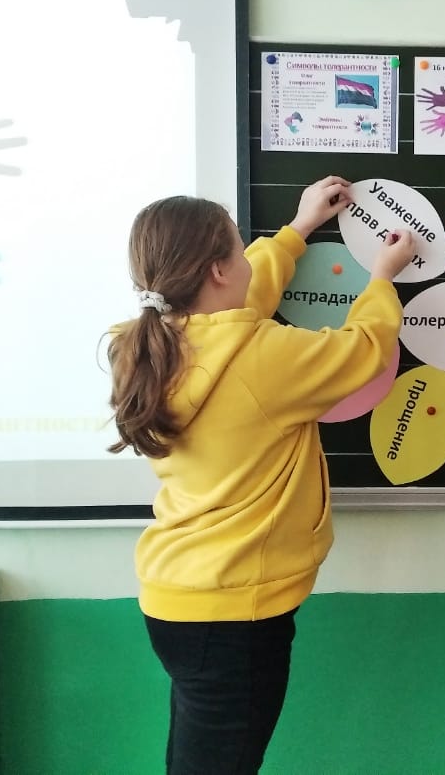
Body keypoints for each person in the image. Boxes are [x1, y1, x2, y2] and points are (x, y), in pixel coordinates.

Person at [105, 176, 415, 775]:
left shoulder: (141, 348)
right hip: (234, 612)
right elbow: (364, 349)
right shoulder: (266, 357)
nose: (250, 258)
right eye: (239, 246)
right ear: (220, 269)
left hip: (179, 595)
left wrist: (297, 231)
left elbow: (233, 314)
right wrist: (382, 277)